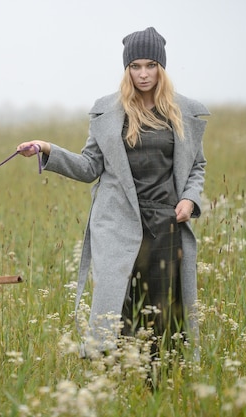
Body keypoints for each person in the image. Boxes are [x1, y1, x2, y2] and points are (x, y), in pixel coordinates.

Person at [17, 27, 209, 360]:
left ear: (161, 67)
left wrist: (189, 200)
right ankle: (117, 375)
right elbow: (89, 166)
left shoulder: (182, 113)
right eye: (135, 66)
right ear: (126, 69)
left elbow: (197, 167)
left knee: (164, 309)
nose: (143, 74)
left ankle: (161, 381)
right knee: (120, 308)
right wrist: (47, 149)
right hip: (119, 224)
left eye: (150, 65)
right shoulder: (109, 113)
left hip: (166, 223)